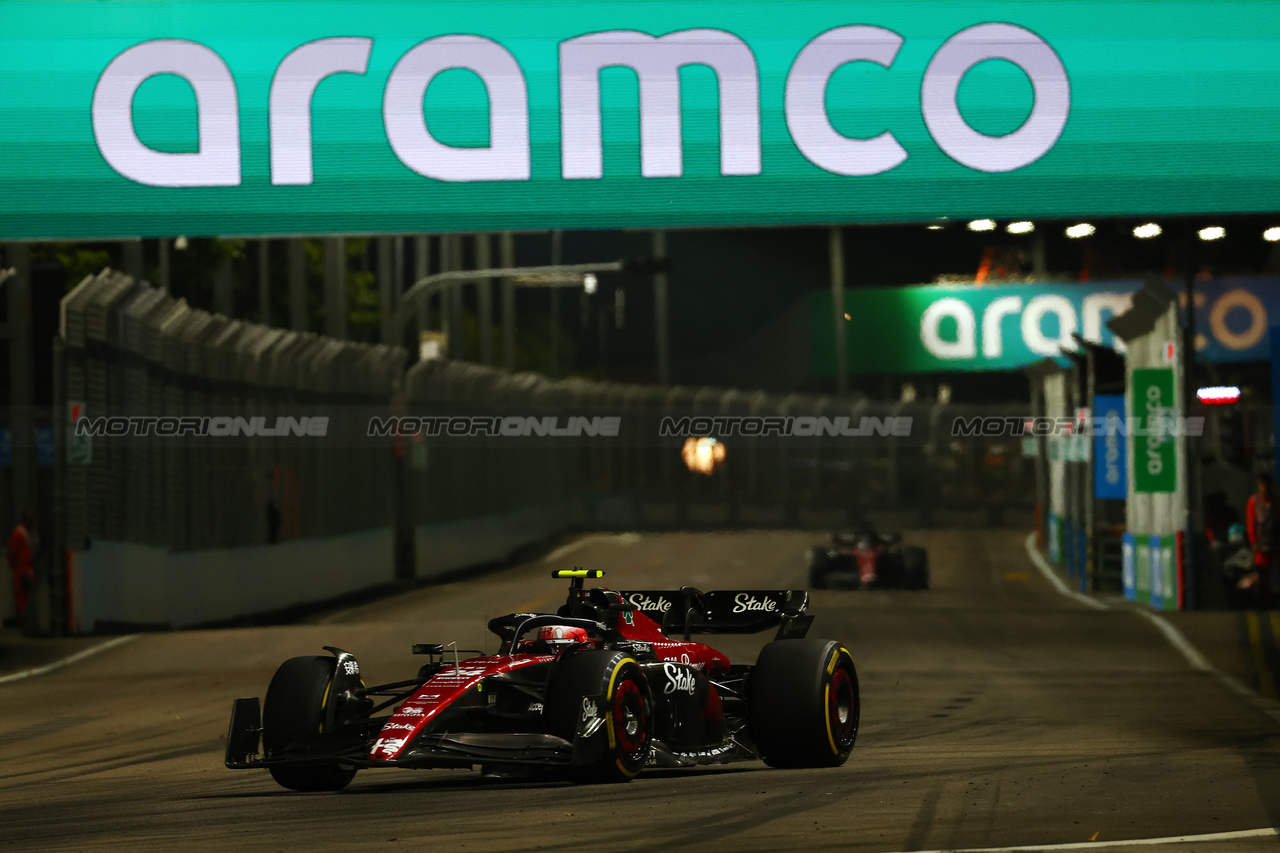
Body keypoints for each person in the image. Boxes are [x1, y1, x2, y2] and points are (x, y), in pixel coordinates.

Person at [1246, 473, 1276, 600]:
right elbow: (1251, 522)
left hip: (1274, 543)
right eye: (1263, 485)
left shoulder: (1276, 501)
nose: (1266, 489)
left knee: (1272, 572)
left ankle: (1270, 596)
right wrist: (1254, 541)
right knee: (1260, 570)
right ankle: (1259, 597)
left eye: (1268, 486)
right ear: (1259, 486)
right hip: (1260, 544)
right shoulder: (1254, 501)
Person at [7, 509, 36, 623]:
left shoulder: (32, 534)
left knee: (29, 595)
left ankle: (28, 619)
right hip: (21, 569)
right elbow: (12, 552)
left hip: (29, 568)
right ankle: (22, 621)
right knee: (22, 596)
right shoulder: (19, 533)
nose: (32, 521)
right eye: (29, 519)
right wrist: (15, 566)